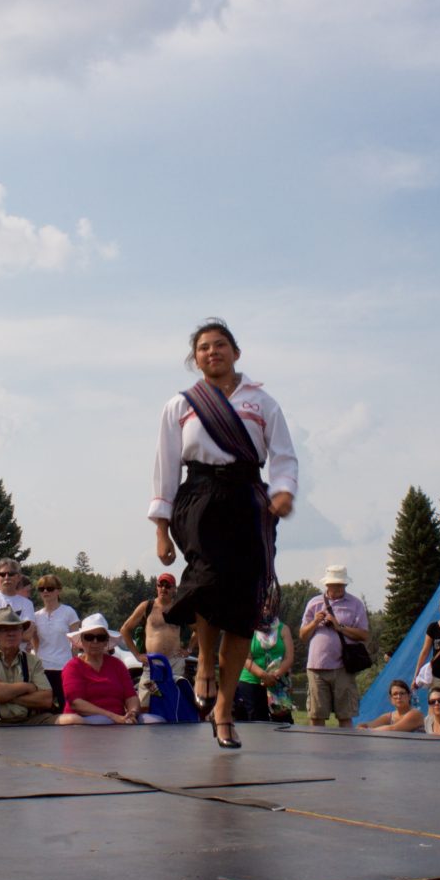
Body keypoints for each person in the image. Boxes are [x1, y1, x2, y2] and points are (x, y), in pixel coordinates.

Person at [148, 319, 298, 749]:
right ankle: (205, 667)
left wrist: (283, 492)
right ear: (195, 359)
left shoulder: (262, 401)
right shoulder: (181, 404)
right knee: (207, 579)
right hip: (198, 497)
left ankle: (224, 709)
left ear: (235, 352)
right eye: (203, 348)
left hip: (249, 499)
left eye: (220, 345)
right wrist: (161, 529)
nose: (212, 352)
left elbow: (284, 455)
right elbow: (165, 466)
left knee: (244, 605)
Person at [58, 614, 164, 725]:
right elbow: (76, 703)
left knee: (156, 720)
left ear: (106, 641)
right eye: (89, 637)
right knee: (104, 721)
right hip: (85, 722)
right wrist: (112, 716)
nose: (95, 642)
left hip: (119, 719)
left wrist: (132, 713)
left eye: (100, 638)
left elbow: (131, 696)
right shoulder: (73, 667)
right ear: (82, 640)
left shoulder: (117, 665)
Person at [299, 565, 369, 728]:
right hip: (317, 667)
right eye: (334, 584)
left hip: (343, 667)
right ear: (327, 585)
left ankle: (346, 750)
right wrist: (315, 622)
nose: (337, 588)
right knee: (316, 715)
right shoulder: (314, 603)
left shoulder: (355, 604)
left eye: (340, 585)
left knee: (345, 715)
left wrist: (339, 627)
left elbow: (364, 635)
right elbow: (303, 636)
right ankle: (317, 750)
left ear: (345, 585)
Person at [0, 606, 55, 727]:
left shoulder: (33, 660)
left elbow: (46, 700)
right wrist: (27, 687)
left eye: (16, 629)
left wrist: (2, 694)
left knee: (70, 720)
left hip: (29, 721)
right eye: (4, 629)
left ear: (22, 633)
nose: (11, 633)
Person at [120, 573, 196, 708]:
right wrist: (137, 655)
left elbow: (199, 630)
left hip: (175, 662)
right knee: (145, 704)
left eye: (167, 586)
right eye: (160, 585)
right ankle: (144, 728)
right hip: (152, 664)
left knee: (174, 702)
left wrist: (189, 649)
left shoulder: (180, 607)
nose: (163, 589)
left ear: (174, 589)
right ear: (156, 587)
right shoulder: (146, 606)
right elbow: (125, 629)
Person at [235, 586, 294, 723]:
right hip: (251, 681)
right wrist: (264, 675)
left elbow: (289, 657)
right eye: (263, 606)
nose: (266, 609)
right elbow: (245, 658)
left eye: (269, 606)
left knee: (283, 722)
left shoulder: (283, 629)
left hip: (277, 681)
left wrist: (275, 675)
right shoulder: (248, 628)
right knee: (256, 723)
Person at [32, 574, 80, 712]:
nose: (45, 592)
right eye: (42, 589)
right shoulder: (36, 616)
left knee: (66, 705)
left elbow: (75, 641)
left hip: (64, 667)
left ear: (58, 591)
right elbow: (35, 641)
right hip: (42, 668)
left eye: (50, 588)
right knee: (43, 707)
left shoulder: (68, 612)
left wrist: (74, 662)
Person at [357, 680, 425, 733]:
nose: (398, 697)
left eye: (402, 693)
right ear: (390, 699)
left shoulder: (415, 714)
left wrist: (367, 731)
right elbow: (368, 725)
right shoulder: (389, 717)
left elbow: (393, 729)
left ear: (409, 696)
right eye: (395, 694)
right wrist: (361, 726)